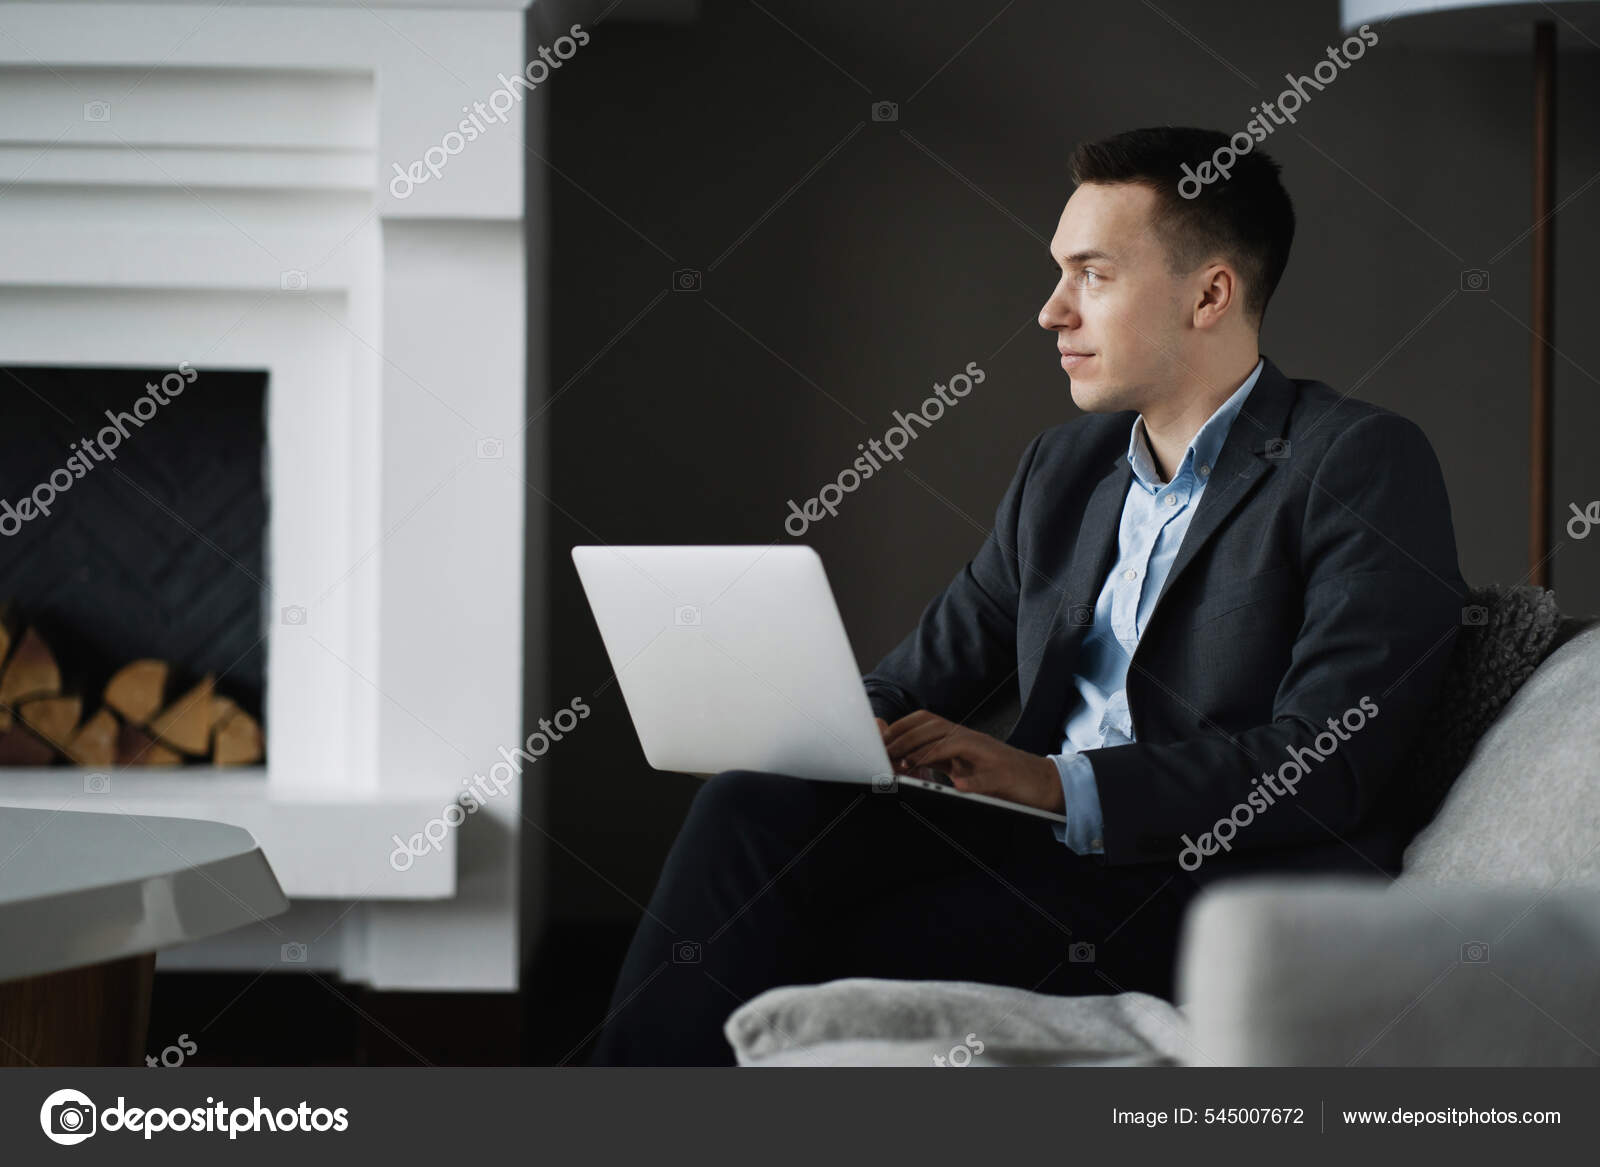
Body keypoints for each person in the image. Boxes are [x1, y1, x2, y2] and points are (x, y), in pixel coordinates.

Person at [587, 126, 1465, 1066]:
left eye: (1092, 274)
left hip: (1211, 884)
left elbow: (1327, 763)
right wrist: (814, 733)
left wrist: (1053, 780)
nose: (1051, 312)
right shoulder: (1064, 469)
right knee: (750, 804)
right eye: (1060, 273)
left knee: (825, 941)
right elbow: (922, 676)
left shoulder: (1358, 460)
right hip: (1036, 845)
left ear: (1209, 293)